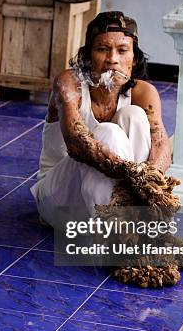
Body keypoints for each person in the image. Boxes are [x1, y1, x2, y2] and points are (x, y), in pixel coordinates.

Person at [30, 11, 172, 227]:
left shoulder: (144, 93)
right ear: (88, 57)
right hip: (60, 200)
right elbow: (77, 144)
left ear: (133, 60)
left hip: (113, 199)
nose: (112, 59)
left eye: (122, 50)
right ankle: (120, 232)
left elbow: (161, 146)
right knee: (108, 133)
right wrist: (132, 173)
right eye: (102, 49)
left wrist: (148, 182)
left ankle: (128, 220)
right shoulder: (69, 84)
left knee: (134, 116)